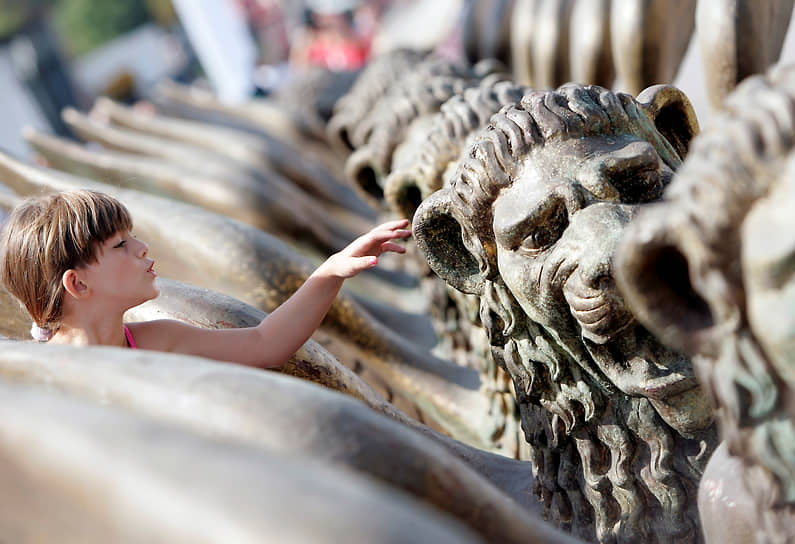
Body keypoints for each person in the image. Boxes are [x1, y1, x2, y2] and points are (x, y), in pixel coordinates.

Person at [0, 190, 410, 368]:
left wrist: (331, 270)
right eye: (120, 245)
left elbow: (265, 344)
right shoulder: (47, 376)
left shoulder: (157, 340)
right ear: (78, 285)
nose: (142, 247)